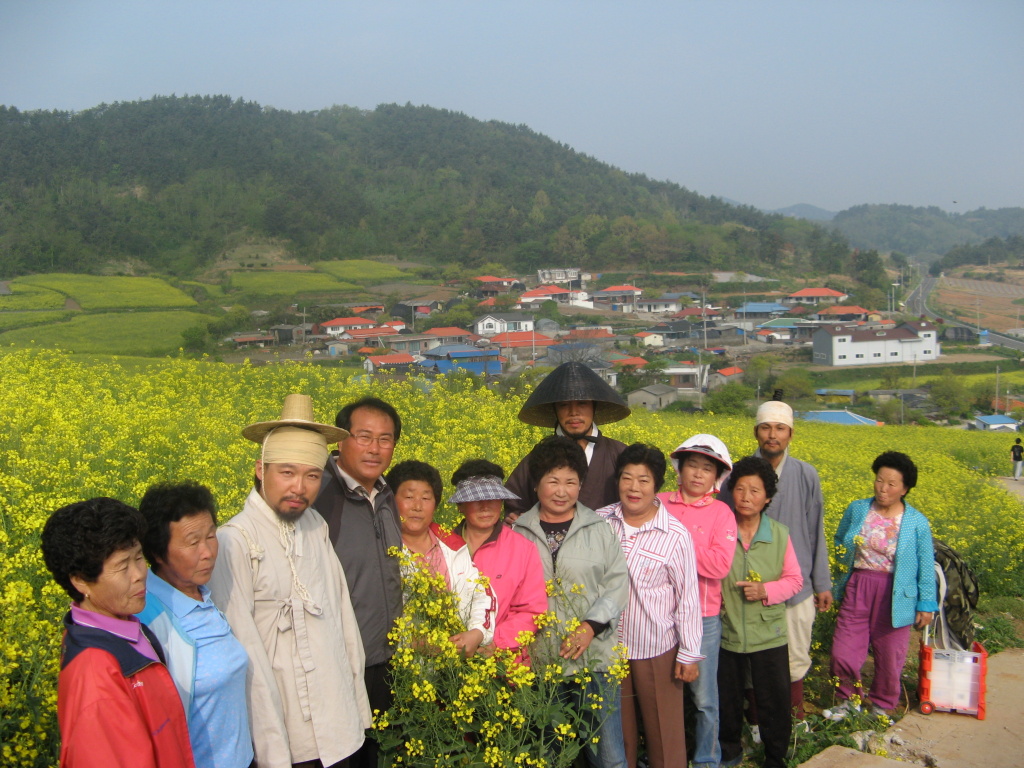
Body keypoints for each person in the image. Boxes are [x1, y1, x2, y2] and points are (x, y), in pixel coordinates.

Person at [208, 394, 370, 768]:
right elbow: (243, 649)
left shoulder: (315, 526)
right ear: (261, 470)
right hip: (283, 722)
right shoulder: (235, 540)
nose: (300, 487)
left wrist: (355, 706)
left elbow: (341, 617)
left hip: (336, 716)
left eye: (312, 475)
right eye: (287, 472)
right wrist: (270, 747)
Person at [41, 497, 196, 768]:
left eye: (138, 558)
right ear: (80, 581)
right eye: (123, 566)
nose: (139, 574)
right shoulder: (96, 675)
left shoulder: (128, 629)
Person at [512, 435, 629, 768]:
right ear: (536, 484)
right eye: (552, 481)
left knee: (607, 755)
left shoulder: (598, 528)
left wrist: (590, 627)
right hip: (541, 659)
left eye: (570, 482)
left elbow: (617, 584)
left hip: (594, 660)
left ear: (580, 485)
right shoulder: (519, 531)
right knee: (546, 754)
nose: (561, 491)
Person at [717, 398, 832, 717]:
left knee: (794, 658)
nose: (772, 434)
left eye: (780, 428)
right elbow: (723, 528)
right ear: (756, 432)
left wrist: (821, 582)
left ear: (790, 434)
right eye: (766, 427)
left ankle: (792, 724)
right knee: (753, 664)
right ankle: (756, 725)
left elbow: (815, 529)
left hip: (796, 587)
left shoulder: (806, 475)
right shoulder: (737, 475)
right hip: (745, 588)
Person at [597, 443, 703, 768]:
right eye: (627, 478)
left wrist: (689, 653)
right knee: (617, 735)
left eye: (643, 480)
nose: (633, 487)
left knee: (664, 732)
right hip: (608, 649)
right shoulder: (600, 522)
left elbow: (687, 598)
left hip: (655, 648)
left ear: (656, 485)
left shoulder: (675, 535)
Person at [136, 482, 254, 768]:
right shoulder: (147, 619)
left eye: (211, 536)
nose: (208, 552)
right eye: (192, 542)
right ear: (158, 552)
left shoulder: (204, 594)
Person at [314, 397, 404, 768]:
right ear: (340, 441)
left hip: (388, 663)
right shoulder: (319, 496)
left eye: (385, 439)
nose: (375, 448)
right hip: (339, 666)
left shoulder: (386, 495)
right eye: (364, 436)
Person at [830, 451, 937, 718]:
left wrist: (926, 604)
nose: (883, 488)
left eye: (891, 484)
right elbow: (840, 538)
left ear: (905, 488)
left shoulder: (917, 523)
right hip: (859, 585)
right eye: (879, 480)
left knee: (890, 655)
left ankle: (882, 705)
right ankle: (847, 700)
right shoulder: (858, 508)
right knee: (843, 649)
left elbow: (926, 565)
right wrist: (837, 571)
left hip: (896, 592)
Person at [718, 457, 803, 768]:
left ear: (767, 497)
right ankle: (729, 752)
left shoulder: (779, 534)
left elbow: (794, 580)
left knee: (773, 700)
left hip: (769, 632)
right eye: (740, 489)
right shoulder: (722, 530)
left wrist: (766, 590)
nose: (745, 496)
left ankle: (775, 756)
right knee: (727, 698)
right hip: (728, 632)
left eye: (755, 490)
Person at [657, 434, 735, 768]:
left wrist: (675, 545)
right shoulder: (658, 502)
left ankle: (706, 760)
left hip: (703, 618)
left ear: (716, 477)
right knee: (661, 695)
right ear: (680, 468)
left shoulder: (722, 514)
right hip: (657, 615)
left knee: (704, 699)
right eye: (693, 465)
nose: (698, 474)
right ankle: (664, 757)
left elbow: (719, 565)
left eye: (707, 469)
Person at [387, 459, 496, 656]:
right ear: (391, 501)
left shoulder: (453, 546)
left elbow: (481, 594)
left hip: (455, 666)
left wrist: (476, 633)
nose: (417, 506)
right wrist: (411, 642)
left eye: (426, 498)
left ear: (435, 504)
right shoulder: (382, 550)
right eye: (409, 497)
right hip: (399, 665)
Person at [505, 361, 630, 520]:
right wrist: (515, 517)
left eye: (582, 403)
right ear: (554, 409)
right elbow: (513, 502)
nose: (573, 412)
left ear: (594, 406)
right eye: (564, 405)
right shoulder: (540, 456)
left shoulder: (619, 453)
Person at [449, 459, 548, 658]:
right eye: (476, 499)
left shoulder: (522, 549)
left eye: (493, 498)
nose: (485, 506)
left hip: (506, 667)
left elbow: (532, 611)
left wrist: (495, 643)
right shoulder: (441, 547)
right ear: (460, 505)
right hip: (450, 665)